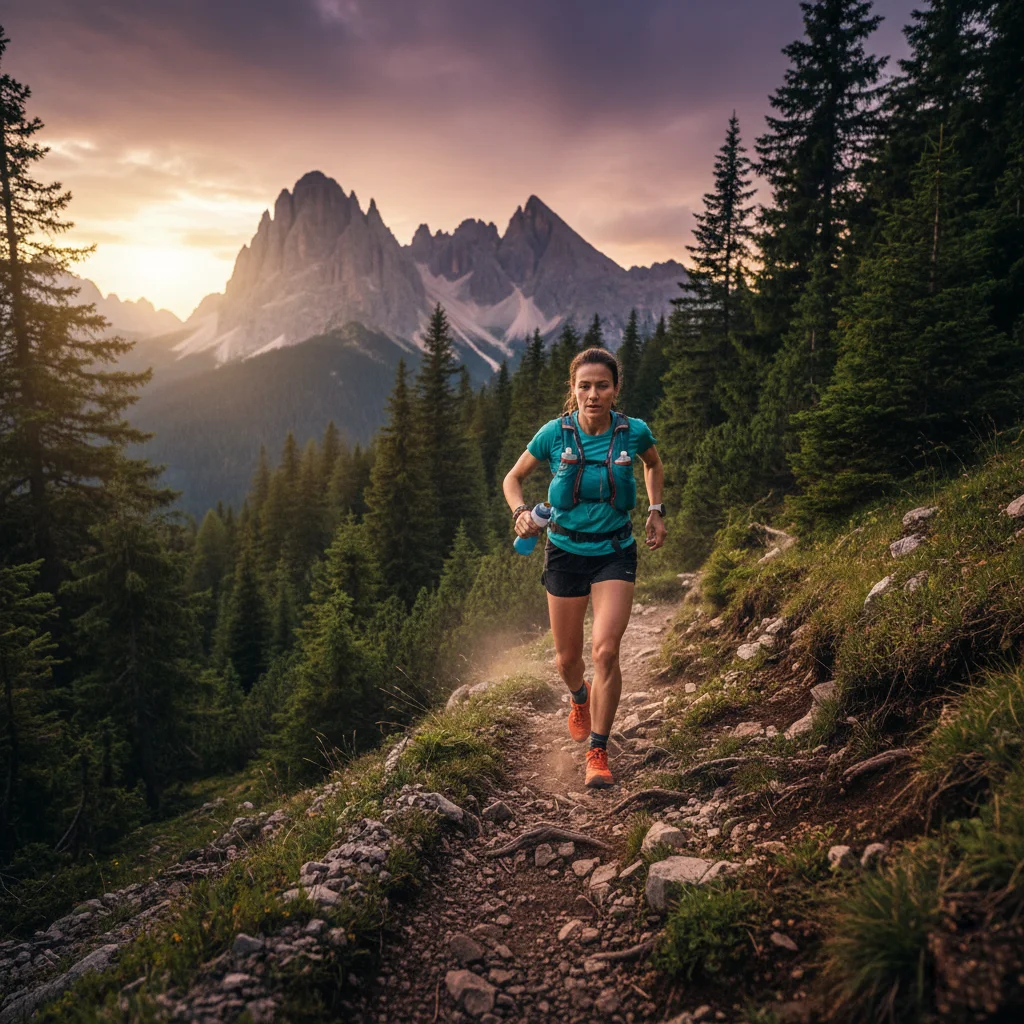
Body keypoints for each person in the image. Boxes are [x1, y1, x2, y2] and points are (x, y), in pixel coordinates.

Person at [503, 346, 666, 789]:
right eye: (584, 386)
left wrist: (656, 509)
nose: (593, 394)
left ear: (616, 390)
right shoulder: (554, 434)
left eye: (602, 386)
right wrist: (519, 512)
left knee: (606, 652)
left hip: (615, 550)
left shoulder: (634, 432)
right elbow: (512, 478)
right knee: (567, 659)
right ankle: (579, 697)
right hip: (564, 552)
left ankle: (598, 748)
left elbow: (652, 464)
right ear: (573, 391)